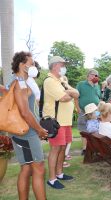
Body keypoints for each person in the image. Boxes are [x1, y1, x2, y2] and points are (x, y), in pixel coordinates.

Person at [8, 51, 48, 199]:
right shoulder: (19, 83)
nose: (34, 66)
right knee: (39, 169)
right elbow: (25, 112)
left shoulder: (20, 82)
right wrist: (40, 130)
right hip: (27, 134)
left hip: (23, 132)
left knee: (26, 169)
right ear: (21, 65)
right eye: (31, 64)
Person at [43, 56, 79, 189]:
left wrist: (68, 92)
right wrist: (70, 93)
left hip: (66, 121)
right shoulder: (50, 81)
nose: (65, 67)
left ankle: (59, 173)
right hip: (56, 122)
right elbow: (64, 98)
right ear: (55, 66)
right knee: (55, 149)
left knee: (63, 148)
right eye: (63, 65)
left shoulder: (62, 80)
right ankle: (52, 179)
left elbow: (77, 93)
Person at [75, 69, 101, 155]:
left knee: (95, 128)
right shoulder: (81, 84)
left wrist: (99, 110)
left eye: (96, 75)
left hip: (95, 111)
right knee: (83, 129)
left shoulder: (97, 86)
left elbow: (99, 97)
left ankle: (94, 147)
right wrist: (78, 108)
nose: (94, 77)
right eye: (93, 74)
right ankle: (85, 149)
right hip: (83, 110)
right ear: (88, 75)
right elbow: (76, 97)